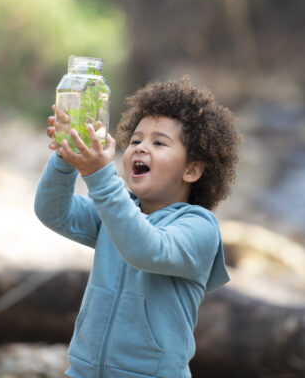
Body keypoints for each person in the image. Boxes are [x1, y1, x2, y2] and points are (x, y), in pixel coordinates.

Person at [34, 77, 241, 378]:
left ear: (192, 169)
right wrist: (65, 159)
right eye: (135, 140)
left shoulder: (199, 227)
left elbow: (146, 249)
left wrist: (101, 177)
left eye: (159, 143)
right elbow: (53, 212)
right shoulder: (118, 212)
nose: (141, 147)